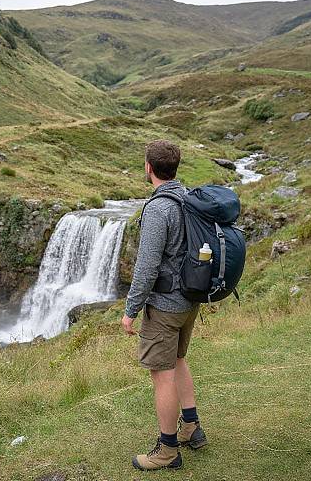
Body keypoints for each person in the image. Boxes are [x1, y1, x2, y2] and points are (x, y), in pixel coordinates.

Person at [121, 139, 207, 471]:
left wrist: (130, 311)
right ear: (175, 167)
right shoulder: (189, 199)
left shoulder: (158, 208)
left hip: (166, 307)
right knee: (179, 359)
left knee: (162, 373)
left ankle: (167, 449)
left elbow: (146, 268)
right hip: (189, 299)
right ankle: (191, 426)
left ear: (148, 168)